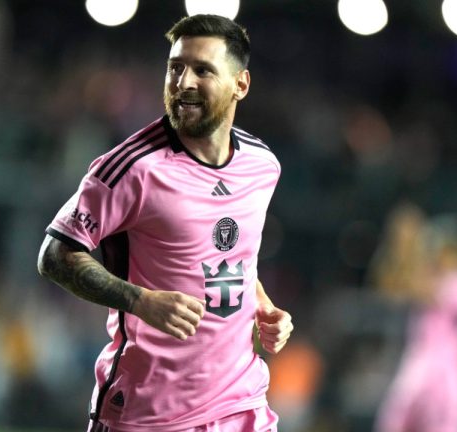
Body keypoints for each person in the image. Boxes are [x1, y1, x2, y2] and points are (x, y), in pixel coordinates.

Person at [37, 14, 293, 432]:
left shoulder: (262, 166)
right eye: (176, 67)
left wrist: (263, 306)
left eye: (203, 70)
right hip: (148, 413)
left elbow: (235, 258)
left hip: (242, 406)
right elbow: (55, 255)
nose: (183, 82)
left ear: (240, 85)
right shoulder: (132, 167)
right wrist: (140, 301)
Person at [369, 205, 457, 432]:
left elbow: (430, 293)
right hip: (420, 365)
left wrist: (407, 248)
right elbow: (389, 288)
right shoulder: (437, 277)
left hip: (450, 374)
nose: (438, 254)